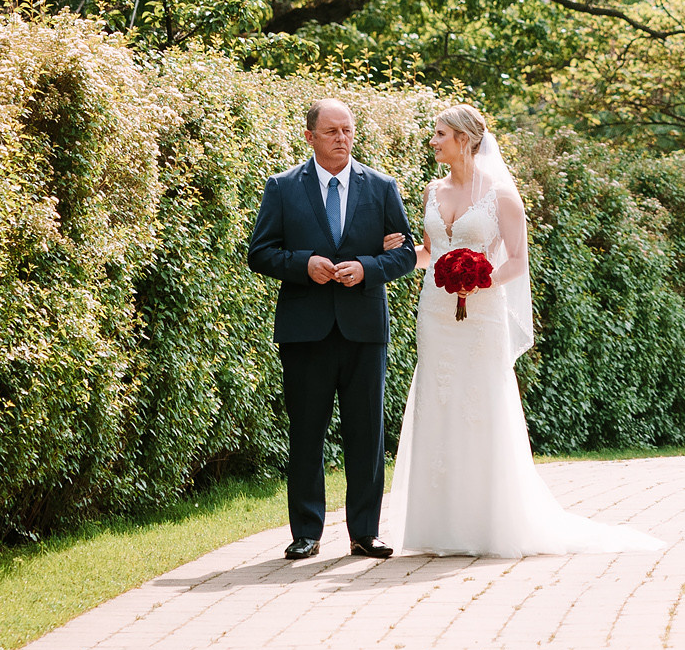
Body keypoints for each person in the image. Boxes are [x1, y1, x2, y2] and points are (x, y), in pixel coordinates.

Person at [381, 105, 662, 558]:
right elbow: (432, 253)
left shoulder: (501, 195)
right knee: (439, 400)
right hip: (435, 313)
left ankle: (485, 523)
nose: (432, 141)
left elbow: (517, 260)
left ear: (465, 139)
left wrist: (477, 278)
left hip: (482, 312)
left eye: (439, 134)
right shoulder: (432, 190)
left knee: (479, 403)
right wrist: (397, 252)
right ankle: (436, 526)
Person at [246, 98, 418, 560]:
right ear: (310, 137)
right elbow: (259, 252)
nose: (342, 139)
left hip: (364, 328)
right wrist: (305, 264)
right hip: (305, 331)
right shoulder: (282, 187)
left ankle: (366, 532)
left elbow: (405, 253)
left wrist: (366, 268)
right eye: (331, 132)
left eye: (348, 130)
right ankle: (306, 532)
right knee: (306, 433)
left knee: (367, 433)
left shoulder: (382, 187)